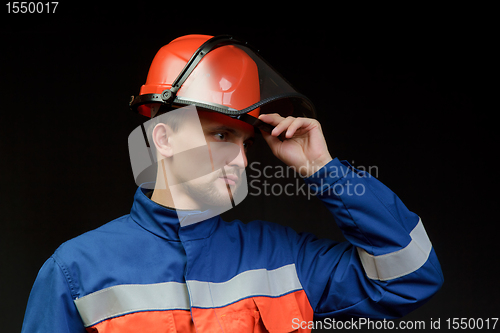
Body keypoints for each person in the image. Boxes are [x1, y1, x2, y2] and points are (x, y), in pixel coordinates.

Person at [21, 34, 443, 333]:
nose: (241, 160)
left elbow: (411, 275)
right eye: (221, 136)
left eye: (244, 142)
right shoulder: (75, 271)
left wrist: (322, 167)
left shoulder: (283, 258)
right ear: (164, 138)